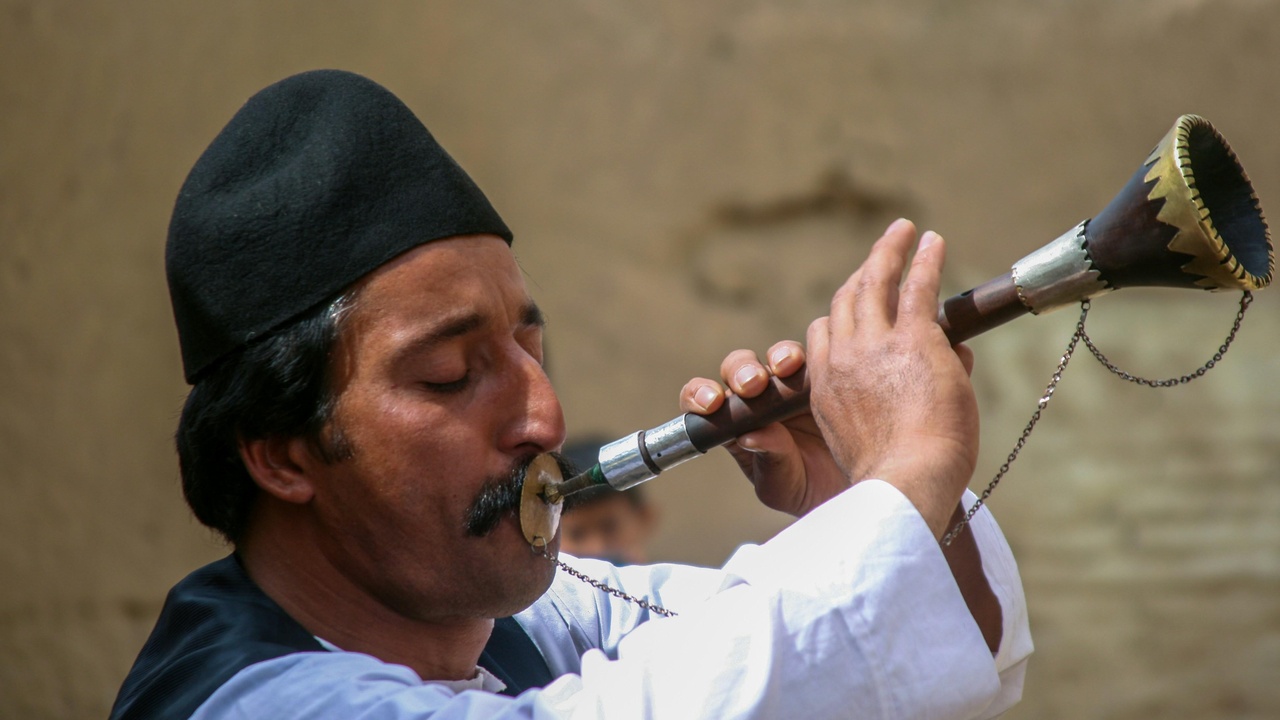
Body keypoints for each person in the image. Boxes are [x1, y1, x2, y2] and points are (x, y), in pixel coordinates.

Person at [111, 69, 1032, 719]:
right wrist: (904, 472)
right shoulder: (245, 700)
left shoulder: (525, 614)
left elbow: (933, 653)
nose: (544, 416)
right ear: (280, 452)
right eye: (448, 376)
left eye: (529, 347)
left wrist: (848, 493)